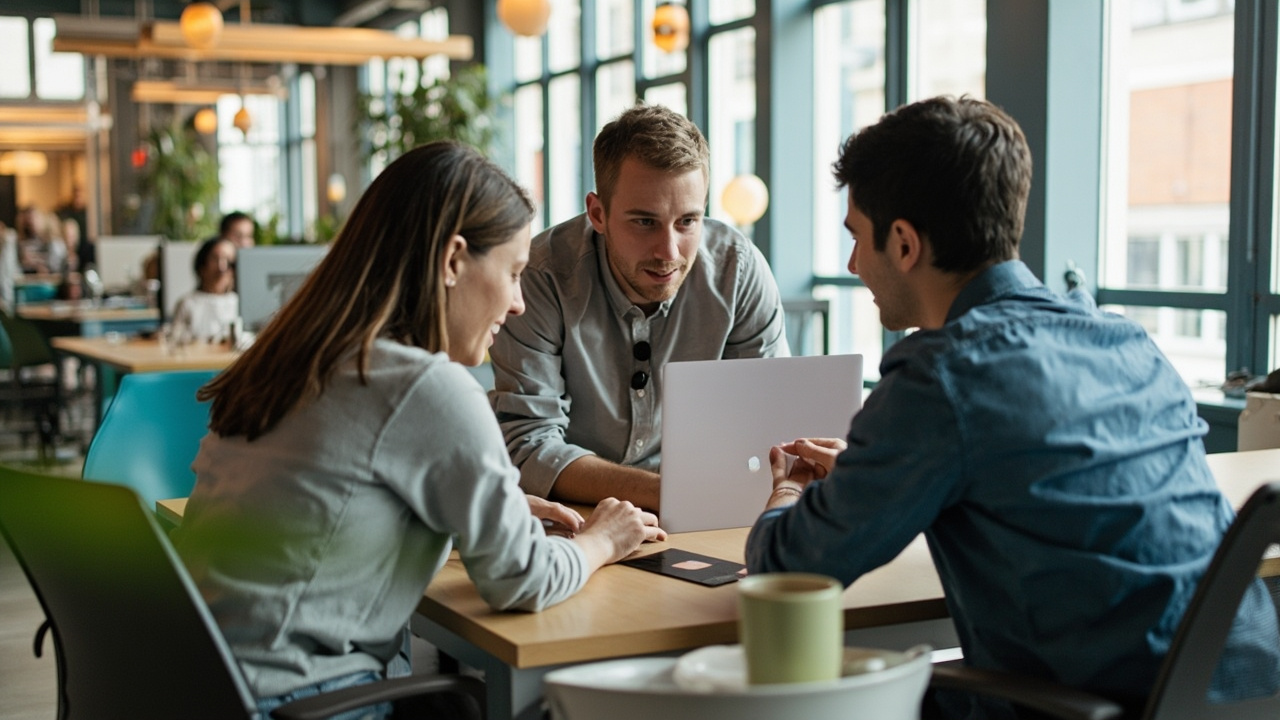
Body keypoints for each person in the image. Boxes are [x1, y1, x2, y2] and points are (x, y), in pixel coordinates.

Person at [744, 96, 1280, 718]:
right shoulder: (1125, 342)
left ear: (905, 242)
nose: (853, 265)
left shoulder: (941, 376)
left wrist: (789, 493)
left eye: (858, 239)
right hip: (1249, 695)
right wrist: (873, 475)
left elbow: (787, 570)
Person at [171, 140, 665, 719]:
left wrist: (491, 508)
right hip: (300, 701)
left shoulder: (299, 354)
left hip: (199, 685)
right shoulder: (426, 387)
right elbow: (522, 581)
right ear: (453, 260)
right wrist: (603, 539)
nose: (517, 305)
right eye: (511, 274)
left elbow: (331, 509)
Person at [489, 104, 790, 512]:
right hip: (577, 512)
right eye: (645, 222)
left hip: (708, 511)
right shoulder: (541, 276)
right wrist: (676, 495)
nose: (669, 252)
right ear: (598, 212)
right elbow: (528, 448)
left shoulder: (738, 271)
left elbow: (765, 428)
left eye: (687, 222)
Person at [170, 236, 239, 343]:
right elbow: (175, 340)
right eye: (216, 259)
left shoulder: (238, 303)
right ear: (202, 266)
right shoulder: (187, 303)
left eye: (229, 261)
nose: (222, 268)